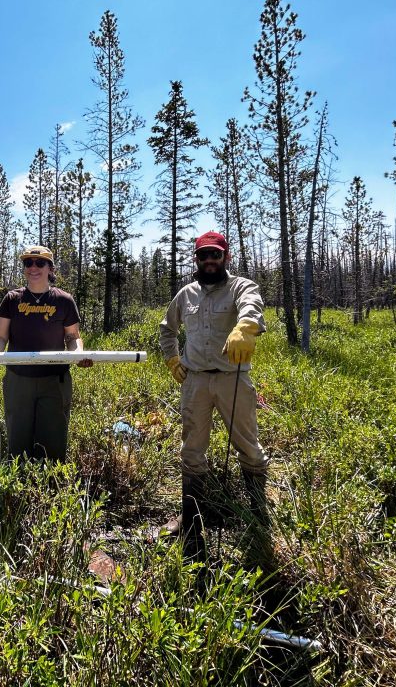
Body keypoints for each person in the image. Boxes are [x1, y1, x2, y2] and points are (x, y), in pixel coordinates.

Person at [159, 231, 269, 560]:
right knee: (191, 450)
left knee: (248, 447)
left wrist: (246, 326)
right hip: (195, 382)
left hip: (232, 379)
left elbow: (252, 306)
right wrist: (172, 357)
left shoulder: (241, 287)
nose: (209, 261)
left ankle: (259, 516)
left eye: (215, 255)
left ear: (226, 257)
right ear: (196, 258)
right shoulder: (186, 294)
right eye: (203, 255)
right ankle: (191, 520)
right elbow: (167, 327)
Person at [0, 245, 91, 461]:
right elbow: (0, 337)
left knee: (53, 445)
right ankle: (19, 489)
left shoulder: (64, 301)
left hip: (54, 382)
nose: (33, 268)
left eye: (40, 263)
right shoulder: (12, 299)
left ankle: (50, 490)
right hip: (18, 381)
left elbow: (72, 337)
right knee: (18, 444)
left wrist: (78, 354)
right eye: (28, 263)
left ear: (50, 268)